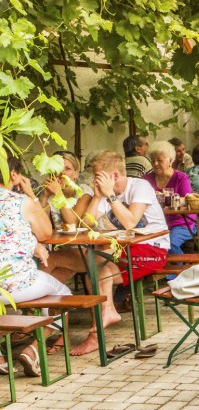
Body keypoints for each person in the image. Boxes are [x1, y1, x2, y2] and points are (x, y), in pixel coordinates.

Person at [52, 151, 169, 355]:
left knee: (93, 267)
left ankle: (99, 323)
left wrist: (110, 195)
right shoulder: (105, 194)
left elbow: (130, 222)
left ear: (114, 176)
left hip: (152, 248)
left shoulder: (139, 186)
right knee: (90, 267)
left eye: (98, 175)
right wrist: (97, 197)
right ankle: (99, 322)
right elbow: (84, 224)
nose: (95, 180)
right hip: (123, 248)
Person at [1, 152, 72, 372]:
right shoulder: (20, 202)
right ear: (13, 174)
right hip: (16, 285)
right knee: (65, 296)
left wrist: (30, 243)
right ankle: (33, 349)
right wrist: (31, 196)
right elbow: (44, 232)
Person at [143, 141, 196, 254]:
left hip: (181, 223)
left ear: (170, 160)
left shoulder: (181, 178)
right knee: (144, 245)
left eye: (160, 160)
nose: (155, 163)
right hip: (155, 224)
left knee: (169, 243)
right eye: (153, 160)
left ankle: (181, 269)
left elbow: (187, 200)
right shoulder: (146, 179)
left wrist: (168, 198)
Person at [38, 151, 94, 230]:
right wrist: (45, 195)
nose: (62, 173)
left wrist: (58, 193)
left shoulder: (84, 191)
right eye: (58, 168)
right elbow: (38, 224)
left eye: (67, 169)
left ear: (76, 173)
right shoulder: (50, 193)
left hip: (80, 241)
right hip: (55, 241)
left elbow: (72, 224)